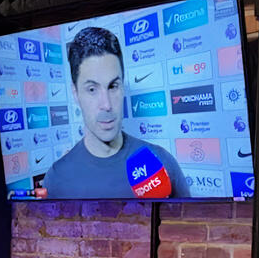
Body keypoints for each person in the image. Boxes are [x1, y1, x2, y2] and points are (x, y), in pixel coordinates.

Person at [42, 26, 187, 199]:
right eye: (92, 89)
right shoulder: (56, 178)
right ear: (76, 94)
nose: (106, 105)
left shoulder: (161, 163)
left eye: (113, 86)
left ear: (123, 87)